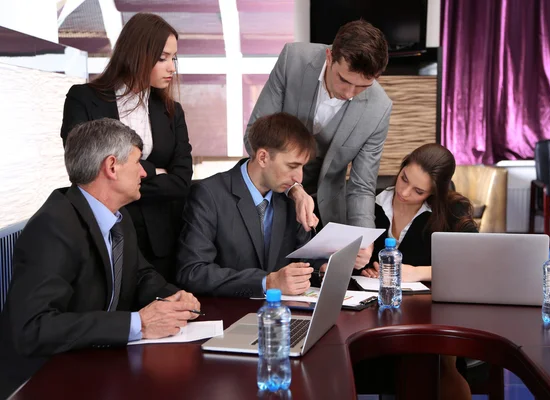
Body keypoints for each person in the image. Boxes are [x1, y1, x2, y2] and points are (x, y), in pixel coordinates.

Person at [0, 119, 200, 398]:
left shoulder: (119, 216)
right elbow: (33, 328)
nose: (144, 172)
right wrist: (138, 324)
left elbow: (139, 274)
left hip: (92, 364)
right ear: (112, 166)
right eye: (138, 162)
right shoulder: (53, 226)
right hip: (44, 380)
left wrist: (175, 297)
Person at [243, 19, 393, 271]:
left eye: (363, 86)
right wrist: (294, 188)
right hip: (267, 194)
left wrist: (364, 238)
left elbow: (361, 185)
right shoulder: (293, 60)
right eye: (344, 80)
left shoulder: (379, 108)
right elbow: (255, 137)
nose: (349, 93)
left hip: (324, 213)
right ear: (329, 56)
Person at [60, 13, 192, 283]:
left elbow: (181, 182)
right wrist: (156, 171)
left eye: (173, 58)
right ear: (138, 53)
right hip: (101, 234)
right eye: (162, 58)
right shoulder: (83, 99)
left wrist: (126, 175)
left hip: (160, 240)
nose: (171, 68)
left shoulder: (171, 111)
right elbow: (87, 169)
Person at [177, 113, 325, 297]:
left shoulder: (291, 197)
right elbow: (193, 272)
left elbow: (306, 258)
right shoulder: (209, 195)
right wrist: (267, 282)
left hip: (284, 313)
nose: (299, 178)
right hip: (229, 314)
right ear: (263, 157)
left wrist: (325, 266)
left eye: (302, 167)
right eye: (291, 166)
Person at [360, 143, 478, 281]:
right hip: (375, 297)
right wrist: (364, 269)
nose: (404, 192)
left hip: (429, 299)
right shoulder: (369, 203)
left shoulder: (452, 211)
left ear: (434, 192)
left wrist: (418, 273)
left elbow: (475, 262)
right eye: (404, 179)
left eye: (418, 191)